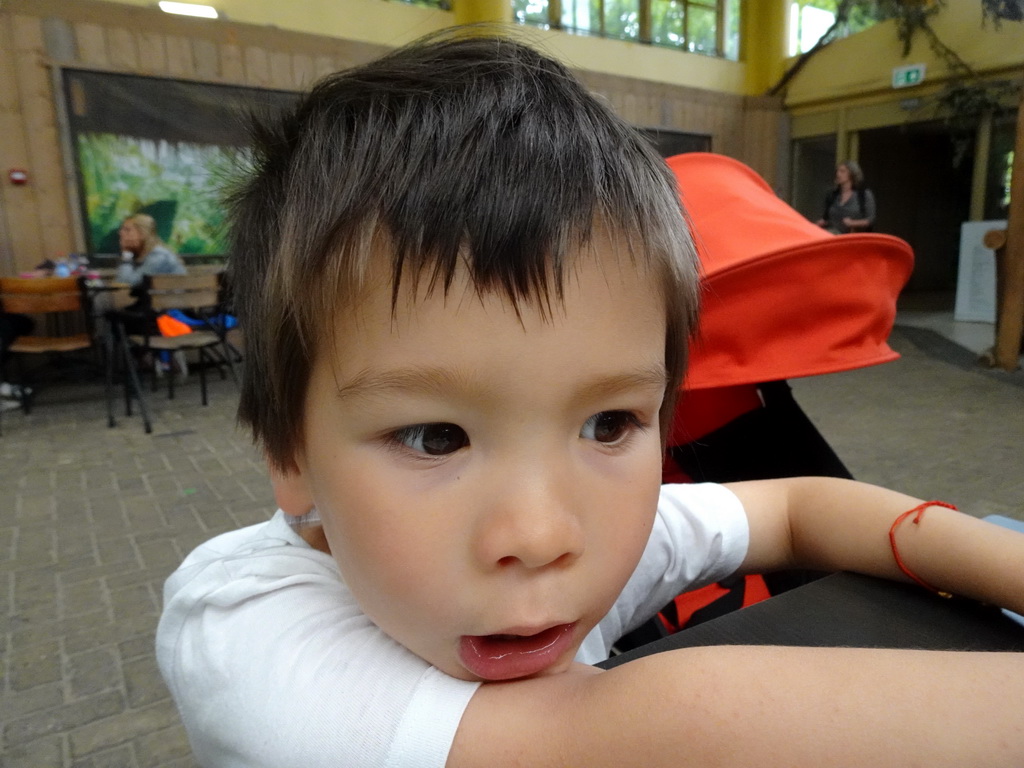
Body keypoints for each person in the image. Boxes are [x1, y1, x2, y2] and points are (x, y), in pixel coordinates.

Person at [156, 33, 1024, 767]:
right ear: (289, 455)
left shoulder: (582, 547)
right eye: (433, 436)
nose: (540, 536)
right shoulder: (238, 626)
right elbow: (667, 728)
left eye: (609, 423)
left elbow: (800, 506)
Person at [114, 213, 186, 287]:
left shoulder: (159, 257)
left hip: (173, 298)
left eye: (127, 230)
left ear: (143, 233)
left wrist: (127, 255)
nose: (121, 233)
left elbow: (126, 285)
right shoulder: (143, 254)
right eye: (122, 229)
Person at [816, 160, 876, 234]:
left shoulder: (864, 195)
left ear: (852, 174)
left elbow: (870, 220)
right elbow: (827, 217)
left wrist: (853, 223)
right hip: (832, 235)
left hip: (853, 237)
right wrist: (822, 222)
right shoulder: (833, 195)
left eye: (842, 171)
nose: (838, 174)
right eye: (837, 171)